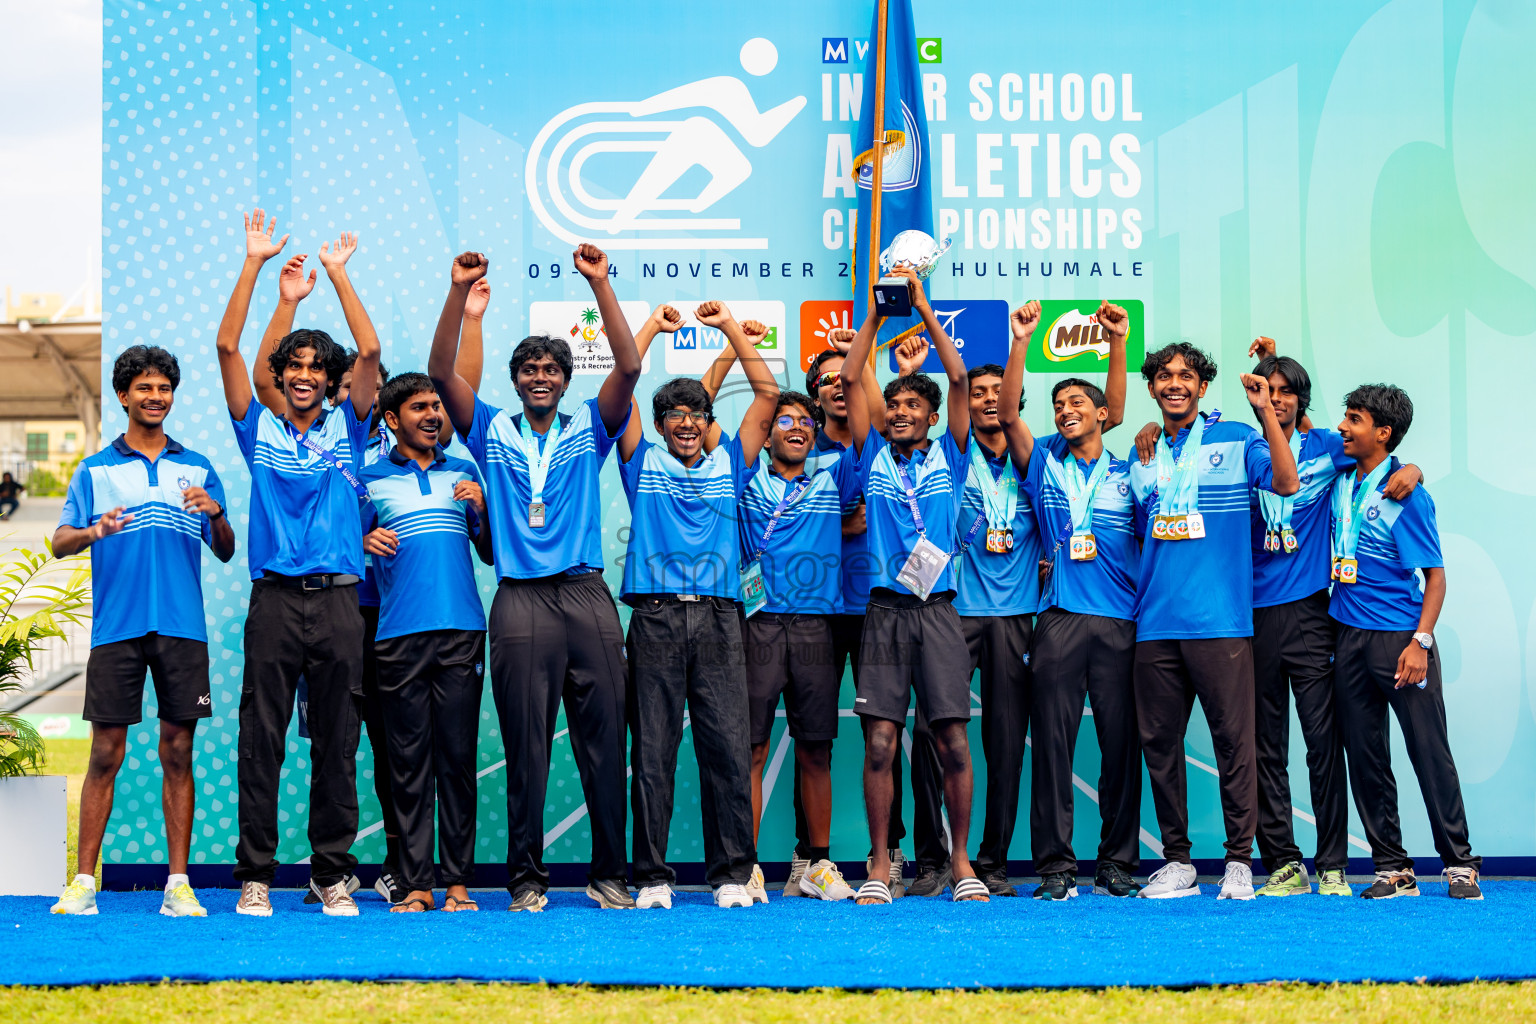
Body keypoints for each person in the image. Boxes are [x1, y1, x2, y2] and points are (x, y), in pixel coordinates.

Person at [429, 245, 640, 912]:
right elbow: (440, 372)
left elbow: (630, 365)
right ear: (516, 380)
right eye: (529, 369)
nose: (540, 376)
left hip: (585, 594)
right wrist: (458, 293)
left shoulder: (590, 430)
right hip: (519, 600)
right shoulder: (489, 430)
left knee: (606, 740)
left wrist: (599, 283)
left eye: (551, 368)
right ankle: (526, 880)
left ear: (565, 378)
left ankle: (610, 874)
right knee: (526, 747)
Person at [216, 210, 382, 917]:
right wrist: (261, 271)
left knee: (337, 745)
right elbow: (229, 347)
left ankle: (329, 875)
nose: (307, 376)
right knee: (263, 740)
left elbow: (370, 352)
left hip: (342, 601)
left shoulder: (352, 423)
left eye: (319, 368)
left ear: (334, 381)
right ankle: (256, 873)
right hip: (277, 601)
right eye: (296, 368)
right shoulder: (258, 427)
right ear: (280, 378)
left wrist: (339, 277)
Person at [48, 346, 236, 917]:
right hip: (116, 630)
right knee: (105, 752)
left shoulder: (198, 466)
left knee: (178, 750)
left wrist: (216, 516)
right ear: (124, 395)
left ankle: (178, 885)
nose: (156, 397)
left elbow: (225, 552)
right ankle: (83, 882)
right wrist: (92, 531)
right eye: (145, 388)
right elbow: (58, 541)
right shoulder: (95, 470)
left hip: (182, 630)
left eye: (164, 388)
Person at [1126, 342, 1299, 900]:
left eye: (1187, 376)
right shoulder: (1144, 451)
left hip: (1221, 623)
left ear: (1203, 387)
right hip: (1154, 623)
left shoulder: (1237, 437)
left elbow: (1287, 482)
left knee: (1234, 744)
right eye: (1164, 376)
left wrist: (1265, 412)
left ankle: (1239, 862)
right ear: (1152, 387)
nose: (1175, 383)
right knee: (1161, 745)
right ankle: (1177, 862)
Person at [838, 267, 989, 905]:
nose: (899, 412)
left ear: (931, 416)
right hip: (884, 610)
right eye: (892, 405)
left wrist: (921, 304)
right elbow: (849, 379)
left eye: (911, 407)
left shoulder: (951, 454)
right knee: (880, 738)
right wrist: (874, 316)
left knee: (951, 736)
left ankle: (960, 862)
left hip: (940, 610)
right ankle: (879, 865)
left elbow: (958, 377)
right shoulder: (870, 451)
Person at [619, 300, 776, 910]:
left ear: (710, 421)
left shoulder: (732, 462)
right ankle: (653, 876)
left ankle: (733, 874)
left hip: (717, 615)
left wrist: (732, 332)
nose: (685, 424)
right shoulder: (641, 460)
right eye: (673, 417)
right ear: (659, 426)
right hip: (656, 616)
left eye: (696, 415)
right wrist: (655, 329)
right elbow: (626, 379)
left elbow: (765, 394)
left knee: (727, 746)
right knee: (653, 749)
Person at [992, 301, 1142, 901]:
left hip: (1120, 622)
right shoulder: (1044, 466)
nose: (1065, 411)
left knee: (1119, 746)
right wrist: (1021, 342)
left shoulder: (1132, 471)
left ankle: (1116, 864)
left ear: (1104, 416)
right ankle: (1055, 866)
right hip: (1056, 619)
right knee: (1052, 745)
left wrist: (1116, 343)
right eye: (1058, 406)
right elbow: (1007, 413)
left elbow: (1123, 404)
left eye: (1078, 404)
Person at [1328, 384, 1481, 900]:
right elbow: (1294, 428)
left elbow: (1435, 577)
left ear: (1383, 432)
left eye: (1354, 419)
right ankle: (1392, 868)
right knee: (1366, 757)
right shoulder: (1342, 479)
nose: (1343, 427)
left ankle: (1460, 864)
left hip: (1400, 642)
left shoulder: (1408, 493)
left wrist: (1421, 642)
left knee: (1428, 751)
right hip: (1347, 639)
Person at [360, 373, 494, 914]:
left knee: (457, 761)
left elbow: (487, 552)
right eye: (419, 407)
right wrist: (360, 539)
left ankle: (458, 884)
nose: (433, 414)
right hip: (396, 636)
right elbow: (344, 547)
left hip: (462, 631)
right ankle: (417, 884)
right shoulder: (367, 479)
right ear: (392, 419)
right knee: (408, 763)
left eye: (437, 405)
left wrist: (481, 510)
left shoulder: (464, 470)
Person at [793, 341, 915, 898]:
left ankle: (887, 853)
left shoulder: (884, 446)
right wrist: (834, 526)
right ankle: (806, 858)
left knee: (883, 734)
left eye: (849, 378)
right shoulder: (793, 445)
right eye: (827, 381)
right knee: (812, 739)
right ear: (815, 396)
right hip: (816, 611)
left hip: (876, 610)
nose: (839, 386)